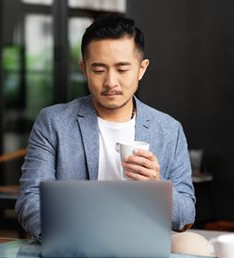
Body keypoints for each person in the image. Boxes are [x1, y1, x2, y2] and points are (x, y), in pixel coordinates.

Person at [15, 14, 196, 244]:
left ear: (141, 69)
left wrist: (157, 187)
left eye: (122, 69)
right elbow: (30, 199)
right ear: (84, 69)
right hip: (73, 245)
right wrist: (67, 238)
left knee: (194, 246)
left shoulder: (169, 130)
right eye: (99, 70)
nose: (111, 82)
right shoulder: (54, 122)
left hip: (141, 247)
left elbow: (186, 214)